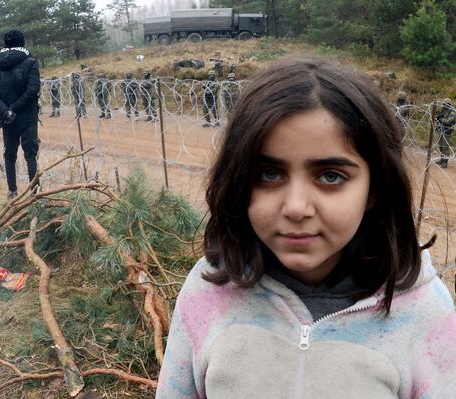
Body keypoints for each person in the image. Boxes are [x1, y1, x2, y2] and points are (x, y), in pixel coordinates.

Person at [157, 56, 456, 398]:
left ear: (374, 190)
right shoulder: (207, 293)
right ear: (239, 180)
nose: (297, 207)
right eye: (269, 174)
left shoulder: (424, 315)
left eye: (331, 176)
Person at [0, 29, 40, 199]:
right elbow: (33, 89)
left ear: (5, 44)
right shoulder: (30, 62)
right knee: (30, 155)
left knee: (9, 155)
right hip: (27, 117)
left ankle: (12, 192)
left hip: (7, 119)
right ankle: (35, 192)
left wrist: (5, 110)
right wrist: (15, 108)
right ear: (22, 43)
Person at [434, 98, 455, 169]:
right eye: (444, 104)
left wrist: (441, 119)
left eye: (446, 104)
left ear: (449, 104)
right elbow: (439, 116)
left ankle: (445, 162)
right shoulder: (444, 110)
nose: (445, 105)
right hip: (441, 130)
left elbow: (449, 121)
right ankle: (442, 159)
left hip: (447, 131)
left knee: (445, 147)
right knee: (441, 146)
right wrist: (438, 115)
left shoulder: (452, 112)